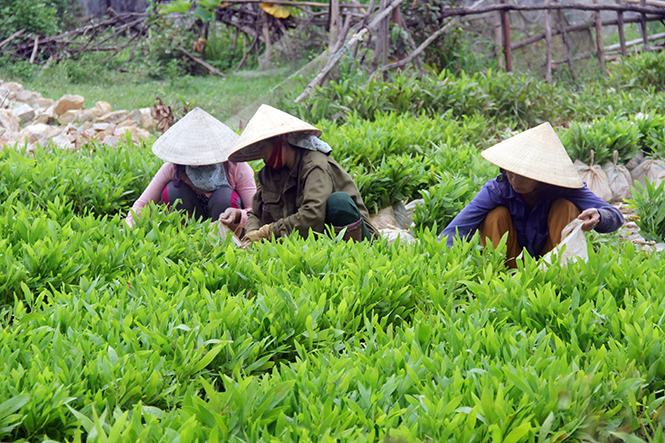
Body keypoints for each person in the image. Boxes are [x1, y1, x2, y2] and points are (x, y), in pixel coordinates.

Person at [441, 122, 624, 268]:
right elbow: (459, 227)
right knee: (494, 216)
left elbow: (615, 215)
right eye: (509, 172)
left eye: (522, 176)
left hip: (551, 259)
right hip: (511, 261)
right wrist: (436, 257)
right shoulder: (498, 189)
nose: (513, 179)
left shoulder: (564, 187)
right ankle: (498, 278)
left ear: (540, 176)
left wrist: (599, 216)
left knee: (566, 207)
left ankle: (561, 273)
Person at [227, 104, 378, 245]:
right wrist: (253, 233)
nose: (261, 154)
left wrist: (267, 232)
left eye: (263, 148)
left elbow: (312, 215)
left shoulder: (315, 165)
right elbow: (255, 212)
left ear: (281, 142)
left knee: (338, 202)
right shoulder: (268, 174)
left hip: (355, 239)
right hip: (308, 243)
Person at [125, 107, 256, 236]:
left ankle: (223, 241)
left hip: (225, 223)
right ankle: (186, 238)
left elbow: (255, 211)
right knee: (173, 191)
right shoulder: (173, 168)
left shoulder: (237, 167)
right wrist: (129, 228)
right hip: (188, 220)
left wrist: (238, 215)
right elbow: (142, 204)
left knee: (224, 197)